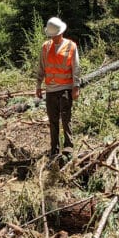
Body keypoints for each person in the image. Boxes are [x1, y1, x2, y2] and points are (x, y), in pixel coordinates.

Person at [35, 17, 81, 158]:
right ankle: (54, 149)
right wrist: (38, 85)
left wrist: (76, 87)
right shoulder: (45, 47)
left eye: (56, 35)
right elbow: (42, 67)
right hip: (50, 90)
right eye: (52, 36)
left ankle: (68, 146)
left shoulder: (71, 46)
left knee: (66, 118)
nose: (54, 38)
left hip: (66, 88)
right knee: (53, 120)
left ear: (61, 33)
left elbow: (76, 68)